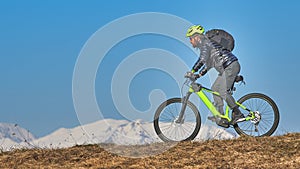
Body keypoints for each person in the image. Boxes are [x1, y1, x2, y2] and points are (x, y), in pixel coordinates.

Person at [186, 25, 245, 125]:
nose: (190, 41)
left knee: (223, 91)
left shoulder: (206, 43)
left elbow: (202, 59)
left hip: (231, 66)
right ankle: (220, 115)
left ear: (196, 37)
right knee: (214, 88)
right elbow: (208, 64)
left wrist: (192, 70)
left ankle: (238, 113)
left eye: (191, 38)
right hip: (226, 69)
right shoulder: (207, 46)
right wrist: (198, 75)